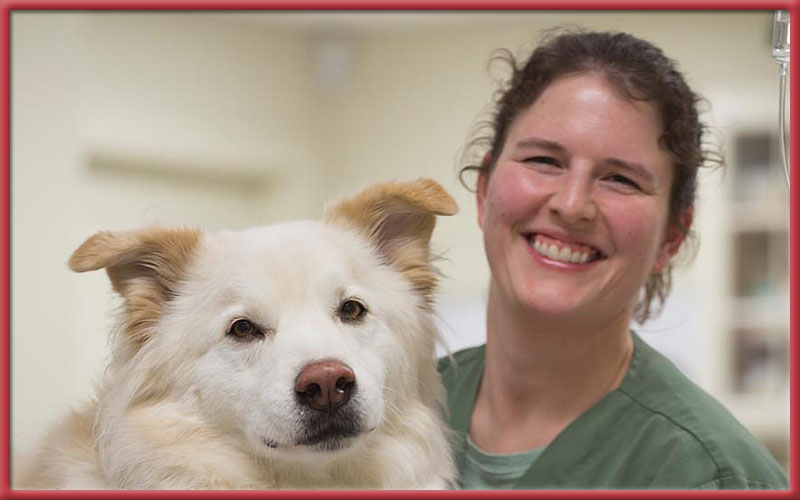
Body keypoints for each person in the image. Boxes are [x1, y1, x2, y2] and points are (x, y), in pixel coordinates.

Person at [438, 29, 789, 490]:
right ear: (484, 190)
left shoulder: (710, 476)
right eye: (544, 159)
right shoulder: (402, 408)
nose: (572, 203)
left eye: (620, 179)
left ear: (671, 237)